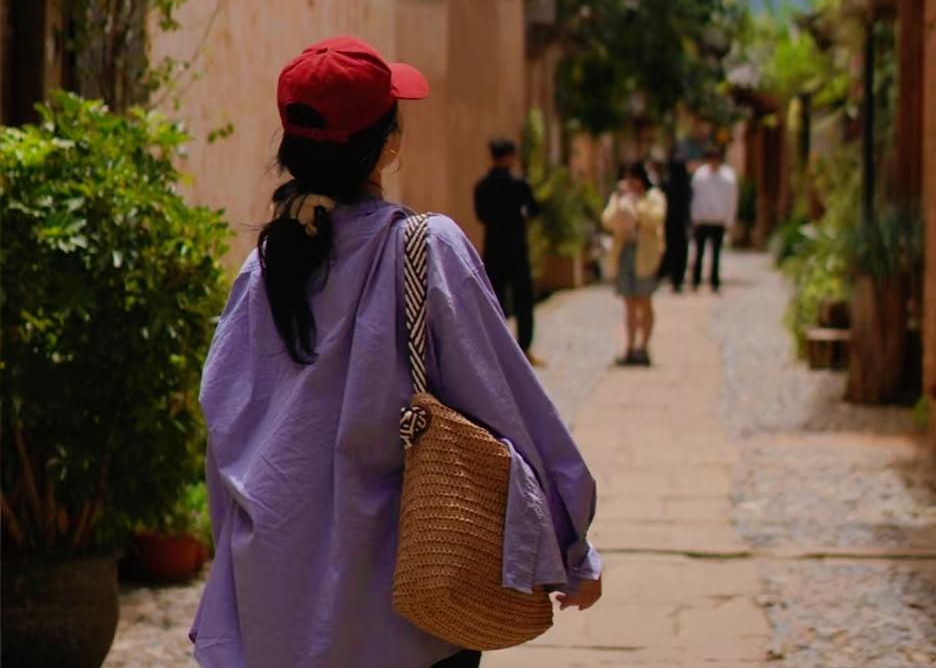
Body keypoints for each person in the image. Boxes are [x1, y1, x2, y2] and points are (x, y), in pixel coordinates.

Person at [190, 37, 601, 668]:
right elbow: (507, 407)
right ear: (386, 145)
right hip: (410, 609)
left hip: (276, 607)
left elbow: (225, 435)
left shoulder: (263, 270)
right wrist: (570, 546)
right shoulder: (425, 249)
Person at [474, 138, 543, 367]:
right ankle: (524, 349)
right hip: (516, 249)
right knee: (523, 300)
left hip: (493, 249)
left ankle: (498, 351)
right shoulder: (519, 185)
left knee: (496, 300)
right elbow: (535, 210)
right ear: (510, 156)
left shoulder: (482, 186)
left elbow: (481, 216)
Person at [602, 161, 667, 366]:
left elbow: (656, 218)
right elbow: (608, 219)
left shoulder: (653, 197)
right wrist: (623, 205)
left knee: (644, 300)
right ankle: (630, 347)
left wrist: (636, 205)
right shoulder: (619, 198)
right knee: (629, 302)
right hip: (625, 253)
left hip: (645, 255)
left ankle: (644, 346)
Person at [690, 144, 738, 292]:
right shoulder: (700, 175)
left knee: (716, 254)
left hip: (718, 220)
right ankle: (696, 281)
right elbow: (694, 197)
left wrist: (729, 219)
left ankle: (714, 282)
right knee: (699, 252)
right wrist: (694, 216)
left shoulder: (728, 177)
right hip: (702, 219)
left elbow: (732, 199)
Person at [658, 157, 692, 293]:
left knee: (670, 249)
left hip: (669, 222)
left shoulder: (667, 183)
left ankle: (671, 276)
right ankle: (678, 278)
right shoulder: (686, 184)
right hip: (682, 223)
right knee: (681, 251)